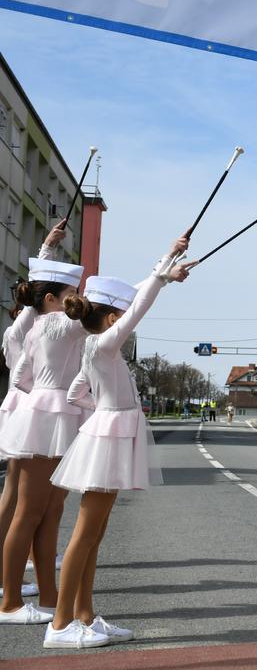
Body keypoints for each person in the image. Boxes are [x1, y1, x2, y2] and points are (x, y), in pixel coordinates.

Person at [45, 239, 193, 648]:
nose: (130, 321)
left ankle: (84, 615)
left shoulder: (95, 346)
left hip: (105, 435)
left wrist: (166, 265)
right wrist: (162, 272)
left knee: (94, 533)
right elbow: (141, 306)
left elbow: (77, 393)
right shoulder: (106, 345)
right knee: (85, 533)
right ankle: (59, 626)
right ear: (112, 319)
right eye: (123, 316)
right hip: (107, 439)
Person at [0, 252, 87, 625]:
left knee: (49, 512)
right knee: (29, 511)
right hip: (47, 420)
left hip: (47, 417)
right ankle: (10, 603)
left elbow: (20, 376)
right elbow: (119, 314)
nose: (77, 298)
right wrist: (161, 274)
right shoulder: (53, 325)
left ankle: (48, 596)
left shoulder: (43, 325)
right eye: (71, 292)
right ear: (49, 299)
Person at [0, 220, 66, 604]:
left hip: (25, 409)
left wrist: (48, 249)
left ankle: (18, 574)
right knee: (24, 501)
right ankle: (10, 584)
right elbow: (36, 300)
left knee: (22, 498)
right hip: (30, 411)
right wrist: (45, 251)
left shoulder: (26, 328)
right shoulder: (27, 329)